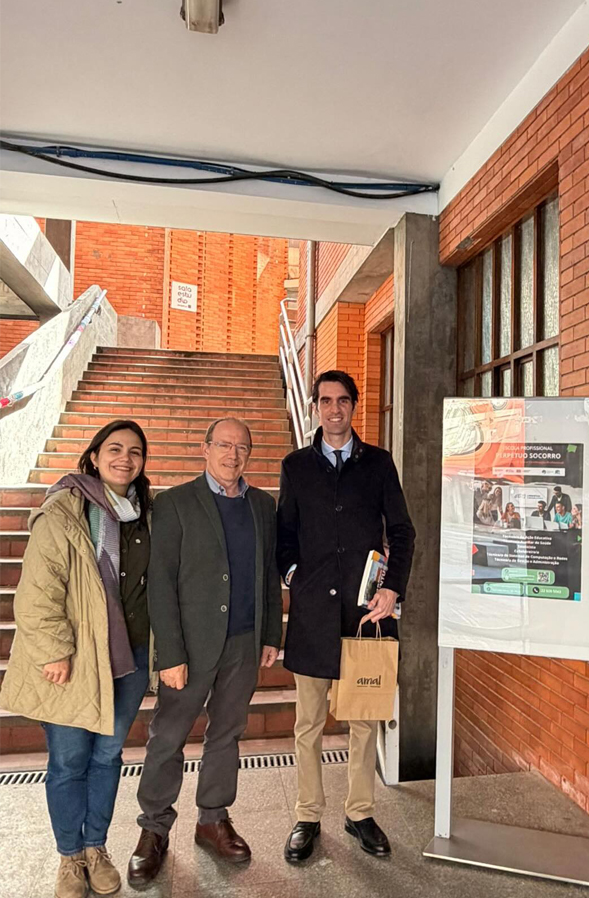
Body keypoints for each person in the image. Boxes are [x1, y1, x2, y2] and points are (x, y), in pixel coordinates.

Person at [127, 417, 282, 887]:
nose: (232, 455)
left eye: (242, 448)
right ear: (206, 448)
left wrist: (271, 634)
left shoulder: (262, 505)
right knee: (168, 736)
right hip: (189, 648)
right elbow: (160, 583)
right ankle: (153, 830)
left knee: (227, 734)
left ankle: (212, 818)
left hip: (242, 641)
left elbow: (268, 573)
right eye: (224, 445)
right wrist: (169, 652)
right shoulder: (174, 503)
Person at [0, 420, 152, 898]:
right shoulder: (65, 510)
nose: (125, 458)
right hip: (74, 657)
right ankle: (69, 857)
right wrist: (55, 651)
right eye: (114, 449)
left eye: (135, 451)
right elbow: (39, 591)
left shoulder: (146, 513)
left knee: (108, 756)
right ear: (93, 457)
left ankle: (95, 847)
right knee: (69, 760)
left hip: (130, 657)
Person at [278, 370, 415, 863]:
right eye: (325, 401)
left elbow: (402, 531)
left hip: (366, 616)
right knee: (308, 722)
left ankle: (359, 813)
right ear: (315, 407)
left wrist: (392, 587)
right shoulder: (296, 466)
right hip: (315, 615)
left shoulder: (378, 464)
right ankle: (307, 815)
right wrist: (296, 576)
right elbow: (284, 535)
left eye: (343, 401)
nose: (334, 410)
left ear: (355, 407)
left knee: (363, 721)